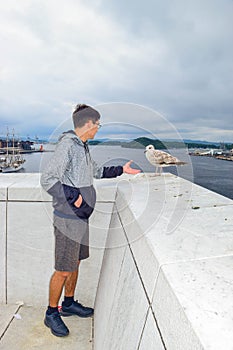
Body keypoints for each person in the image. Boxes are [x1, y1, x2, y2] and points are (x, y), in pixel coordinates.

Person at [40, 104, 140, 337]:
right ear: (88, 124)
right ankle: (51, 313)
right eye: (97, 124)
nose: (98, 129)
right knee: (63, 269)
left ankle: (69, 303)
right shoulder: (68, 145)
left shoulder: (82, 146)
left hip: (81, 217)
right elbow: (48, 180)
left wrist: (121, 170)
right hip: (68, 218)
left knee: (75, 263)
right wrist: (74, 198)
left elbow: (94, 171)